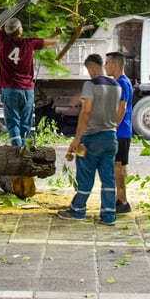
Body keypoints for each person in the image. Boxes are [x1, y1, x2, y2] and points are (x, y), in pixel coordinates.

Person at [58, 54, 126, 225]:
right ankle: (109, 215)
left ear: (91, 68)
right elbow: (121, 109)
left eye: (88, 69)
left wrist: (77, 139)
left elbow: (86, 111)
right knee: (108, 178)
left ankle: (78, 210)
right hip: (110, 137)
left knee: (86, 175)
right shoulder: (117, 86)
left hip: (91, 138)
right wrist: (113, 127)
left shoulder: (90, 85)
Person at [0, 5, 60, 148]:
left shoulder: (3, 40)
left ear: (8, 32)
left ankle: (17, 148)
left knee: (12, 121)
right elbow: (54, 41)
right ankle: (25, 149)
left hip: (9, 90)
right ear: (20, 30)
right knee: (25, 122)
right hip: (27, 90)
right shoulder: (30, 43)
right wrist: (57, 34)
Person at [105, 51, 134, 215]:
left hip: (120, 131)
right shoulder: (122, 82)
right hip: (124, 131)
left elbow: (121, 107)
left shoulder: (121, 83)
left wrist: (113, 127)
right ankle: (121, 199)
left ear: (115, 65)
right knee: (121, 165)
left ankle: (122, 200)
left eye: (107, 63)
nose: (105, 66)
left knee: (117, 166)